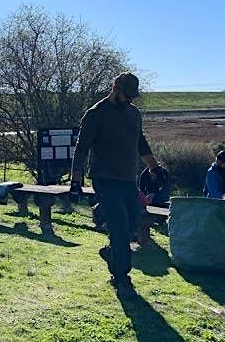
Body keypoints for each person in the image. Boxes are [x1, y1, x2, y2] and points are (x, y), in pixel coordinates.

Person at [70, 72, 164, 295]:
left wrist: (154, 167)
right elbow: (81, 149)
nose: (129, 100)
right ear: (115, 88)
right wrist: (75, 181)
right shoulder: (95, 115)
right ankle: (122, 278)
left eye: (133, 97)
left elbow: (139, 141)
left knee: (133, 221)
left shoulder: (133, 113)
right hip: (105, 178)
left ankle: (112, 250)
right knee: (121, 227)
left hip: (128, 178)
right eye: (126, 95)